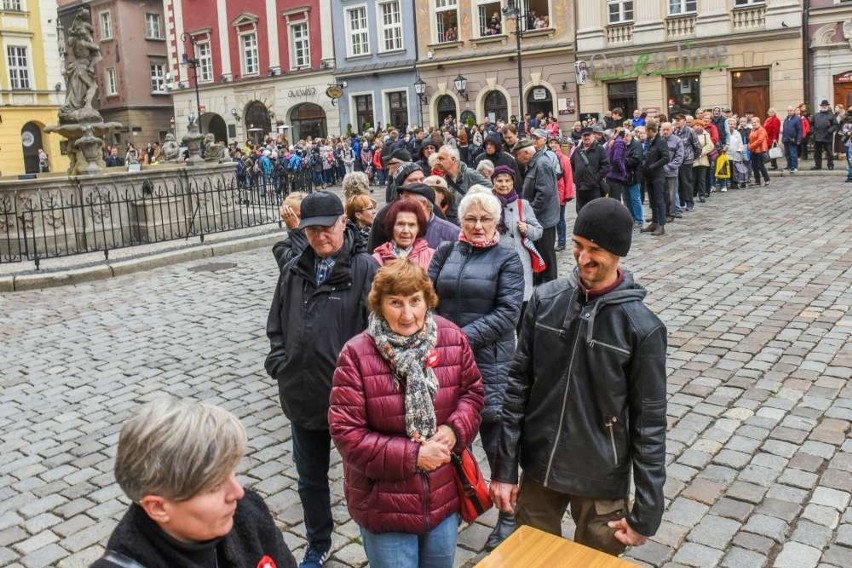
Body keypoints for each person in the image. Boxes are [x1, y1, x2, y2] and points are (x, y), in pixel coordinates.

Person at [489, 198, 667, 557]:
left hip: (601, 475)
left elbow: (649, 424)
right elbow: (516, 389)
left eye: (595, 250)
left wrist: (646, 512)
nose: (583, 258)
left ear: (618, 253)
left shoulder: (642, 328)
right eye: (579, 246)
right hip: (540, 466)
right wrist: (505, 469)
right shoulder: (544, 300)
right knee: (532, 560)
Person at [329, 259, 484, 568]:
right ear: (380, 305)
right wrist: (413, 456)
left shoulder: (452, 338)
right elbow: (348, 434)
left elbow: (473, 394)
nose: (408, 314)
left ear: (427, 300)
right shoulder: (357, 355)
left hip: (441, 497)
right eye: (395, 303)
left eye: (415, 301)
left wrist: (454, 430)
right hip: (385, 505)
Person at [265, 191, 378, 568]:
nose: (320, 237)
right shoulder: (295, 269)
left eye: (327, 228)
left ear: (343, 223)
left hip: (352, 399)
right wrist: (280, 361)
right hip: (303, 392)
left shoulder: (365, 268)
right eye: (311, 230)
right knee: (309, 478)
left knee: (365, 478)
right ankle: (318, 541)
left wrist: (363, 382)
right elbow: (276, 323)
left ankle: (375, 541)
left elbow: (378, 332)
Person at [91, 398, 296, 568]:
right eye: (215, 485)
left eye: (231, 472)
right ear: (158, 507)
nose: (237, 492)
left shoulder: (248, 513)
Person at [428, 186, 524, 550]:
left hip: (490, 364)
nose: (478, 225)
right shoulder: (446, 251)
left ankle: (509, 515)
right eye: (471, 219)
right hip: (445, 363)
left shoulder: (507, 259)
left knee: (497, 442)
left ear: (496, 221)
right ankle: (454, 504)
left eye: (485, 219)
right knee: (448, 438)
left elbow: (507, 314)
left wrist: (457, 338)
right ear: (460, 221)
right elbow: (428, 296)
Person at [491, 165, 543, 324]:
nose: (504, 184)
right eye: (499, 180)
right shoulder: (489, 204)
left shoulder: (523, 204)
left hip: (521, 262)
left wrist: (527, 229)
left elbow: (538, 231)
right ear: (493, 182)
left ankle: (523, 344)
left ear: (513, 182)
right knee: (501, 307)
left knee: (523, 309)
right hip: (496, 262)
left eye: (507, 180)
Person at [513, 139, 559, 284]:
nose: (518, 160)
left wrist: (529, 213)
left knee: (546, 252)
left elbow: (544, 194)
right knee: (538, 249)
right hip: (539, 217)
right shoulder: (534, 164)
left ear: (526, 153)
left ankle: (550, 282)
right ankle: (540, 277)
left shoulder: (541, 164)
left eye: (518, 156)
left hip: (544, 218)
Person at [372, 200, 435, 270]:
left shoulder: (432, 257)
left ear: (418, 229)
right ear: (391, 227)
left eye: (411, 225)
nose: (406, 230)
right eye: (400, 224)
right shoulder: (376, 259)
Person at [639, 120, 669, 236]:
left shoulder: (660, 141)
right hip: (649, 176)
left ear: (651, 131)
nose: (646, 133)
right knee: (652, 201)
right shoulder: (648, 141)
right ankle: (654, 223)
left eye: (647, 131)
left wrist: (653, 166)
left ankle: (661, 225)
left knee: (659, 200)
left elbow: (666, 158)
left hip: (658, 175)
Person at [570, 127, 609, 213]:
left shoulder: (600, 149)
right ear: (581, 137)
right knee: (581, 212)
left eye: (588, 135)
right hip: (580, 188)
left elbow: (606, 166)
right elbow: (571, 165)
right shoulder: (577, 150)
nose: (586, 137)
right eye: (584, 136)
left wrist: (596, 178)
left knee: (595, 212)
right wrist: (575, 179)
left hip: (594, 188)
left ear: (593, 136)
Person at [811, 99, 838, 170]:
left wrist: (829, 131)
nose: (824, 107)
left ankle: (830, 165)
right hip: (817, 136)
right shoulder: (816, 115)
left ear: (828, 106)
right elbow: (812, 125)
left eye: (825, 105)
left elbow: (835, 125)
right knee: (817, 153)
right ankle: (818, 165)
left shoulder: (831, 115)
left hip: (827, 136)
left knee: (829, 152)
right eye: (822, 105)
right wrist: (813, 131)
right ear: (820, 106)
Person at [748, 116, 770, 187]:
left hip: (760, 150)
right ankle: (757, 181)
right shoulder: (753, 130)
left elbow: (760, 140)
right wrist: (749, 145)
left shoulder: (761, 129)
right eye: (752, 122)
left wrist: (750, 146)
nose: (753, 124)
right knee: (754, 166)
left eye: (755, 122)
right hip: (754, 150)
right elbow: (750, 139)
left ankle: (767, 180)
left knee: (760, 165)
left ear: (758, 122)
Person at [781, 105, 802, 173]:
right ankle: (789, 166)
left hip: (793, 139)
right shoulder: (786, 119)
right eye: (788, 110)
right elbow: (784, 130)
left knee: (793, 153)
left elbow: (799, 130)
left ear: (793, 111)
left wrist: (799, 139)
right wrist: (783, 138)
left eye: (791, 110)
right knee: (787, 154)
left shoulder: (797, 119)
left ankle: (794, 167)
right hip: (786, 139)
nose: (789, 112)